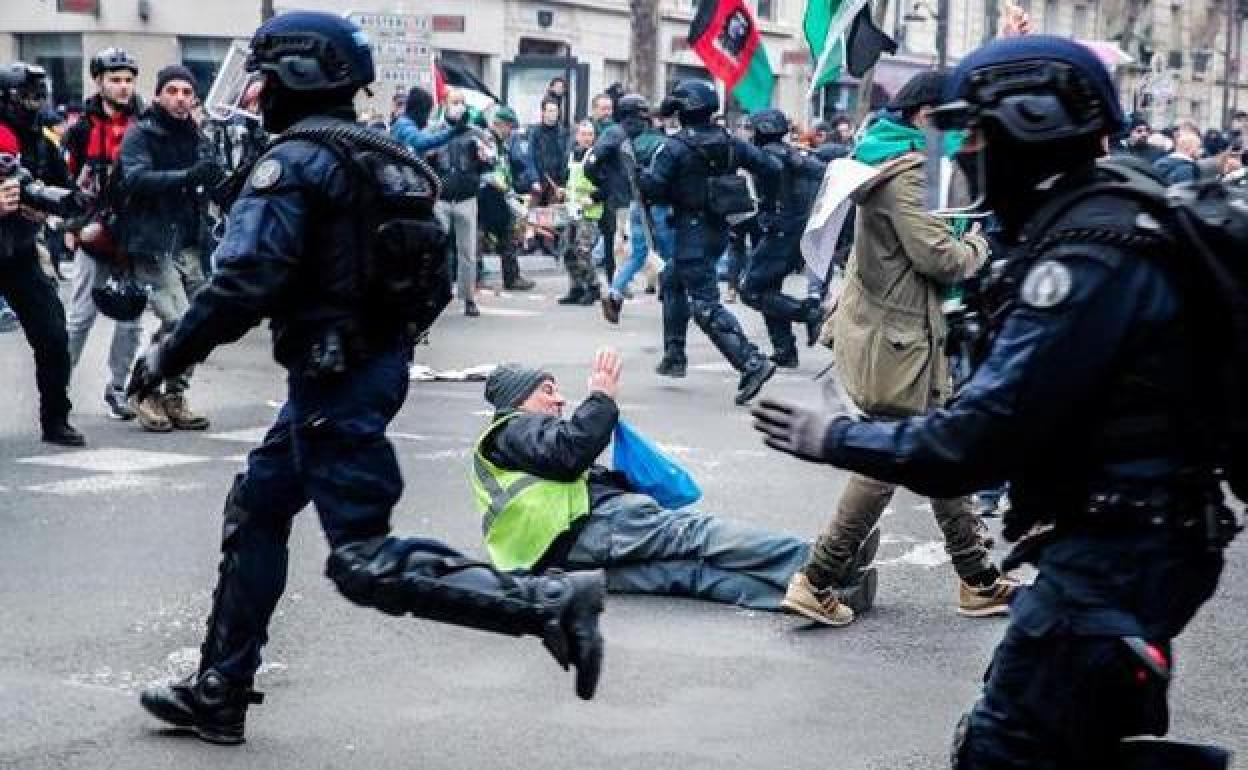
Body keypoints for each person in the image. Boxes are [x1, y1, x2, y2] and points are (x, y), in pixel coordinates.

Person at [752, 35, 1237, 769]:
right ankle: (972, 576)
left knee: (1000, 751)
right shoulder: (1093, 219)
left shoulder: (1086, 256)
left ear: (1029, 129)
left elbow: (973, 442)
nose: (960, 156)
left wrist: (833, 438)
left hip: (1119, 555)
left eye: (973, 136)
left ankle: (916, 575)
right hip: (1127, 543)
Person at [133, 12, 606, 746]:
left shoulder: (295, 162)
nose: (256, 94)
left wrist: (167, 354)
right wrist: (370, 337)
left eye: (265, 78)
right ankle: (219, 689)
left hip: (336, 379)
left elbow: (243, 281)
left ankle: (545, 602)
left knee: (364, 561)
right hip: (361, 369)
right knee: (258, 505)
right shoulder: (387, 160)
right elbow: (434, 280)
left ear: (296, 77)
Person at [771, 71, 1011, 626]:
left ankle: (977, 579)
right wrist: (981, 244)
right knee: (887, 459)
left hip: (901, 335)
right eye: (954, 118)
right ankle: (816, 579)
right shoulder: (907, 172)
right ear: (926, 116)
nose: (962, 129)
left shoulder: (896, 157)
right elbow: (940, 257)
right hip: (900, 342)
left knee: (938, 453)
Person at [473, 354, 819, 613]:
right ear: (518, 400)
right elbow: (571, 451)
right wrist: (601, 398)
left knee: (686, 576)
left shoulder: (506, 444)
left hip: (560, 558)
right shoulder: (515, 426)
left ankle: (797, 596)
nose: (560, 399)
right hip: (592, 527)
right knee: (698, 535)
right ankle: (821, 571)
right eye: (547, 391)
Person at [640, 80, 781, 405]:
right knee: (672, 280)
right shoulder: (731, 142)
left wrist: (640, 176)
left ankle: (751, 362)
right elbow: (771, 167)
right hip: (719, 227)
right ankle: (674, 355)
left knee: (705, 304)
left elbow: (655, 188)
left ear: (684, 111)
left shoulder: (674, 147)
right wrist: (767, 204)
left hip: (691, 231)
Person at [118, 65, 218, 432]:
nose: (179, 98)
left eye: (186, 92)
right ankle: (144, 390)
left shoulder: (199, 136)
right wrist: (188, 177)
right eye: (172, 91)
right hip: (152, 241)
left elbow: (212, 183)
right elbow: (136, 178)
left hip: (191, 242)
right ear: (158, 95)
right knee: (178, 320)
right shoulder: (141, 133)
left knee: (200, 323)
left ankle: (174, 394)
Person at [0, 62, 83, 445]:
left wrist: (45, 209)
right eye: (24, 96)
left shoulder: (42, 143)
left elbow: (65, 196)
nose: (32, 105)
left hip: (19, 252)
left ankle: (56, 419)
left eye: (38, 97)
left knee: (52, 334)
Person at [62, 47, 143, 421]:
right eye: (115, 80)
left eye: (128, 80)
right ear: (98, 82)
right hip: (93, 234)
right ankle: (59, 383)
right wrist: (72, 226)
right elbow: (68, 181)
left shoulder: (145, 123)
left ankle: (118, 387)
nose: (123, 87)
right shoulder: (81, 129)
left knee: (130, 320)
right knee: (80, 317)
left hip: (134, 237)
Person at [738, 108, 826, 369]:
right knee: (769, 289)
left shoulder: (771, 156)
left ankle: (810, 313)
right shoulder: (792, 154)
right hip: (793, 230)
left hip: (782, 231)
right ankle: (784, 349)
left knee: (751, 291)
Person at [600, 94, 673, 322]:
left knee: (637, 255)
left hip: (636, 202)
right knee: (671, 255)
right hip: (660, 205)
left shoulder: (630, 142)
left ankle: (615, 292)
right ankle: (674, 297)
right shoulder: (663, 143)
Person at [429, 87, 492, 317]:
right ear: (445, 105)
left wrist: (484, 158)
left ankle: (468, 298)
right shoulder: (434, 131)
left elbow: (490, 163)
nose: (459, 107)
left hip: (466, 197)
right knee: (437, 249)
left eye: (462, 103)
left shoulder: (475, 133)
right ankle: (437, 295)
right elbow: (422, 160)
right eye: (455, 102)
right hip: (441, 198)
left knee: (467, 252)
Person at [477, 105, 535, 291]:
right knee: (479, 236)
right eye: (509, 127)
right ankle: (476, 277)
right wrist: (506, 189)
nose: (511, 131)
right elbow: (488, 171)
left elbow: (505, 168)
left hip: (500, 195)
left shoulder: (503, 144)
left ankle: (512, 277)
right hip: (485, 194)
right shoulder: (487, 141)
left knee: (508, 234)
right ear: (499, 124)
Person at [557, 120, 605, 305]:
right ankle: (576, 288)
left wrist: (592, 198)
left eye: (590, 134)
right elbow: (568, 181)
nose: (587, 138)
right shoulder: (571, 156)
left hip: (589, 213)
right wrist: (562, 191)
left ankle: (593, 287)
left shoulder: (597, 158)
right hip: (571, 211)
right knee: (568, 251)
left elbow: (606, 186)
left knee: (583, 251)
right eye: (583, 134)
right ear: (577, 136)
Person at [390, 85, 454, 156]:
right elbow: (420, 142)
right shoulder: (404, 124)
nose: (427, 117)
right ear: (420, 111)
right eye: (427, 112)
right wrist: (453, 132)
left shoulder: (405, 123)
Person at [528, 98, 570, 205]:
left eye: (555, 111)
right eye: (550, 111)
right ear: (543, 112)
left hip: (556, 184)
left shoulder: (563, 133)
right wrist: (534, 179)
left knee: (555, 213)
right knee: (533, 213)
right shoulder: (535, 132)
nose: (554, 114)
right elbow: (530, 157)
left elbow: (566, 159)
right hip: (539, 181)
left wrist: (563, 184)